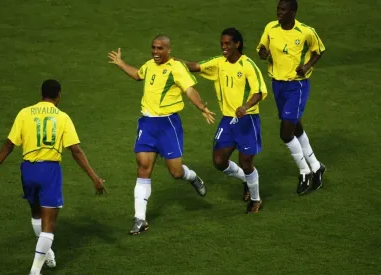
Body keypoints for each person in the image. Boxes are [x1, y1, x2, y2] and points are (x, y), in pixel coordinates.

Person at [0, 79, 106, 275]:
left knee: (35, 214)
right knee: (48, 225)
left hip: (27, 170)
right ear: (59, 95)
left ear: (41, 94)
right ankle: (35, 271)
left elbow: (9, 145)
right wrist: (95, 178)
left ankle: (47, 253)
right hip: (49, 171)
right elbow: (75, 150)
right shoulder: (62, 117)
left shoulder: (24, 113)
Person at [108, 34, 216, 234]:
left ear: (168, 50)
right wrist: (121, 64)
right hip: (147, 124)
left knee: (175, 172)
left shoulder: (176, 67)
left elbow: (190, 90)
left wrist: (201, 106)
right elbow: (138, 74)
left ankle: (192, 177)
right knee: (143, 167)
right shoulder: (149, 65)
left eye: (159, 49)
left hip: (168, 125)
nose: (155, 52)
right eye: (153, 48)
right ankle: (140, 219)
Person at [183, 28, 267, 213]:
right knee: (219, 161)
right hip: (228, 120)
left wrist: (245, 107)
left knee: (246, 162)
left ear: (237, 44)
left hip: (247, 119)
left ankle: (256, 199)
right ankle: (246, 180)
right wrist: (175, 64)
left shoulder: (248, 65)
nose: (224, 47)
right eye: (222, 44)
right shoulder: (219, 63)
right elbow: (196, 66)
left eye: (227, 44)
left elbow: (259, 92)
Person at [257, 0, 326, 194]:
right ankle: (316, 165)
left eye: (283, 9)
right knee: (295, 126)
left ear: (293, 12)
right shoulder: (271, 27)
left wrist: (306, 66)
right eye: (278, 9)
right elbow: (262, 48)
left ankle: (305, 172)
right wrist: (263, 53)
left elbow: (319, 51)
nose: (279, 12)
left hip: (297, 86)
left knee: (286, 133)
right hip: (277, 85)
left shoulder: (305, 31)